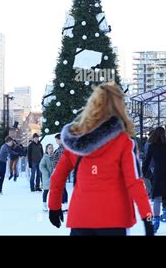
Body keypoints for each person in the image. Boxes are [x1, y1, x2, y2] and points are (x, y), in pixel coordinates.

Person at [48, 82, 154, 236]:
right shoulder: (123, 142)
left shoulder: (76, 142)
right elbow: (134, 183)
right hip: (114, 220)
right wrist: (148, 218)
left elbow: (57, 177)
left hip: (81, 218)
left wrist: (54, 206)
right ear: (119, 107)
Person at [53, 133, 68, 211]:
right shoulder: (61, 148)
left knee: (62, 188)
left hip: (61, 170)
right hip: (60, 170)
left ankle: (64, 205)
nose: (56, 142)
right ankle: (64, 204)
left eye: (56, 140)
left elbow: (62, 160)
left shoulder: (62, 148)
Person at [39, 144, 54, 212]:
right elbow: (41, 166)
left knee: (54, 191)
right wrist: (46, 173)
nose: (51, 149)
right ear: (46, 149)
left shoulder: (54, 157)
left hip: (54, 176)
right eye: (49, 148)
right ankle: (44, 204)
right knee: (46, 191)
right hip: (47, 177)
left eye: (51, 148)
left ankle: (53, 205)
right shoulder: (45, 157)